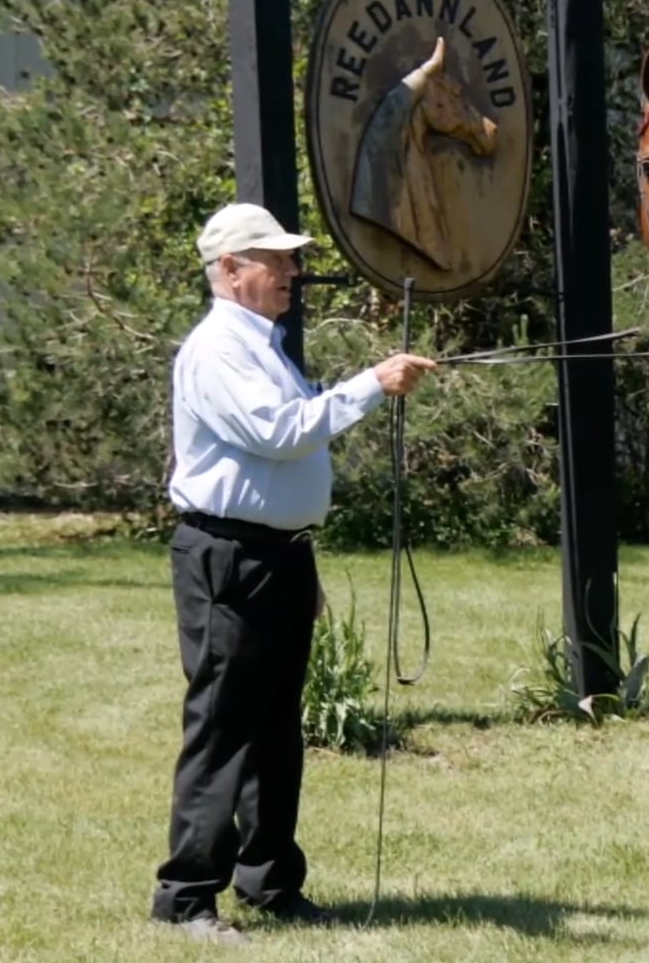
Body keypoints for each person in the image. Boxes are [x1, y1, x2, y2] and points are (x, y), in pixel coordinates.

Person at [149, 202, 435, 945]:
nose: (291, 272)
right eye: (275, 259)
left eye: (290, 259)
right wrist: (372, 383)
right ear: (230, 270)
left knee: (275, 725)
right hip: (228, 558)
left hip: (274, 556)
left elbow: (287, 439)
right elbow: (279, 434)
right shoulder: (216, 349)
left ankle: (270, 882)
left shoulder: (262, 344)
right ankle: (185, 898)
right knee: (222, 726)